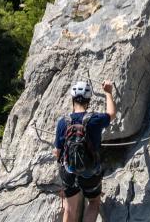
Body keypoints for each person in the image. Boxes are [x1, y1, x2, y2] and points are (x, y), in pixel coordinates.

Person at [54, 78, 117, 222]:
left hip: (69, 171)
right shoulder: (95, 119)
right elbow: (112, 114)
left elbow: (58, 153)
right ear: (88, 101)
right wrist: (108, 92)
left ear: (72, 99)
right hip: (90, 171)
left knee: (70, 209)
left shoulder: (63, 122)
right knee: (94, 203)